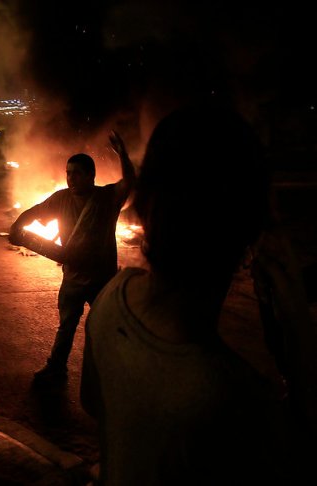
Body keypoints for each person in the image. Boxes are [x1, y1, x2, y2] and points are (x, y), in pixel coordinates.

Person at [79, 103, 315, 484]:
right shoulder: (237, 399)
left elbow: (93, 403)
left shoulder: (111, 300)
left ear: (143, 206)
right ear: (252, 229)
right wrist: (299, 328)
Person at [9, 132, 135, 386]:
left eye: (77, 173)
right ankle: (56, 368)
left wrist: (122, 153)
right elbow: (30, 215)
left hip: (102, 277)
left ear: (91, 175)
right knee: (66, 326)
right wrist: (18, 230)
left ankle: (112, 373)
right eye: (68, 173)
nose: (71, 178)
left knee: (104, 327)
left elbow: (129, 181)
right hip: (74, 276)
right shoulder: (60, 198)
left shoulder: (106, 197)